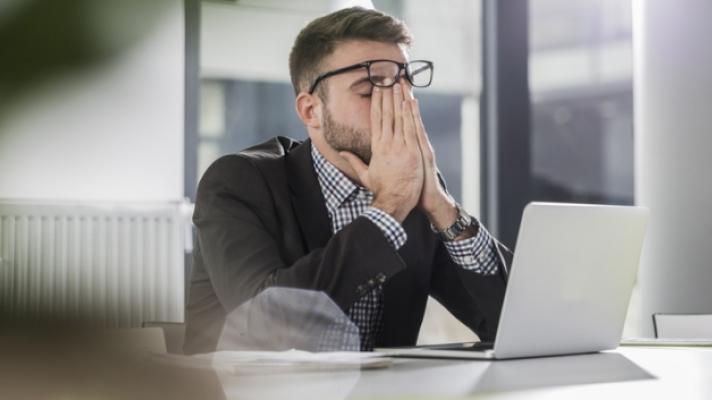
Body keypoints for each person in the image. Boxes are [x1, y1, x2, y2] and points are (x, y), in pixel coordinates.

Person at [184, 6, 511, 354]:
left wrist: (444, 211)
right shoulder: (237, 182)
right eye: (370, 91)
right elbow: (269, 325)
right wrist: (387, 211)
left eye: (405, 85)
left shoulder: (415, 189)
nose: (398, 105)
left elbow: (509, 321)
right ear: (311, 110)